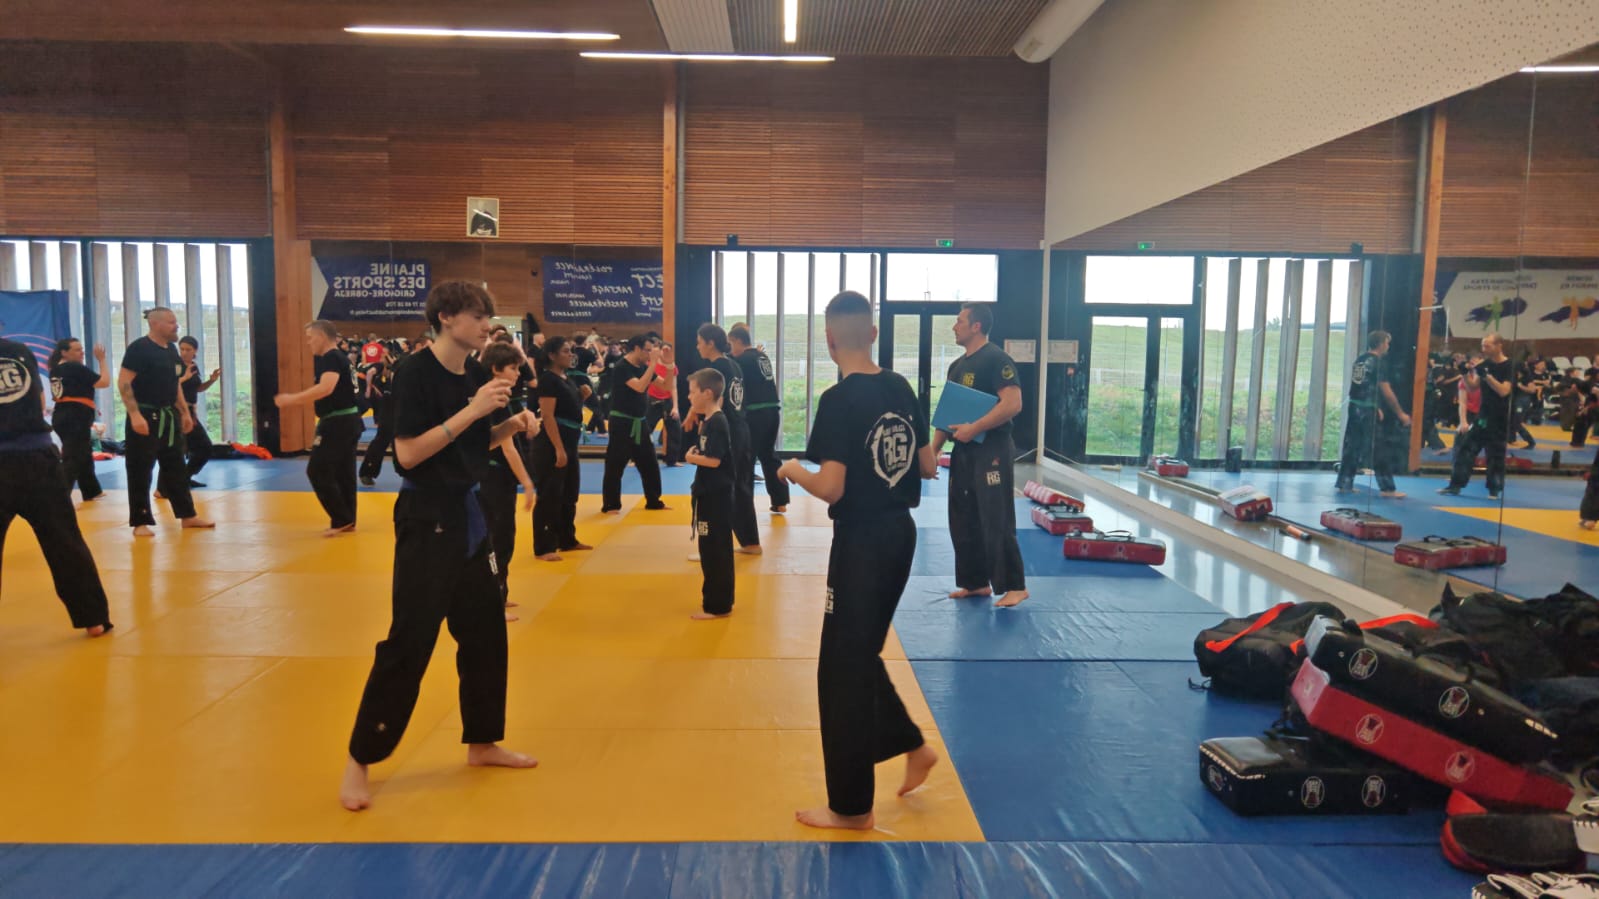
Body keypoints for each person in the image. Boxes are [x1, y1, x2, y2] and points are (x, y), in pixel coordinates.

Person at [339, 281, 537, 812]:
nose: (486, 325)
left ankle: (483, 742)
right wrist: (473, 411)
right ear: (447, 317)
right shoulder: (415, 373)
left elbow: (472, 445)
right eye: (478, 316)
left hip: (469, 517)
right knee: (410, 640)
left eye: (487, 316)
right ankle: (360, 758)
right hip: (427, 520)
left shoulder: (473, 374)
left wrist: (509, 424)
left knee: (486, 634)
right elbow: (408, 455)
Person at [776, 290, 940, 831]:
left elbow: (832, 487)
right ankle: (912, 745)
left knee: (840, 669)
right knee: (860, 652)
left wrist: (792, 470)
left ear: (828, 340)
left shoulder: (837, 400)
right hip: (900, 536)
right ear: (872, 334)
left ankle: (851, 808)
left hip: (862, 543)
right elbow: (927, 465)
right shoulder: (900, 386)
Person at [0, 336, 115, 638]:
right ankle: (93, 619)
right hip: (38, 456)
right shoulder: (18, 351)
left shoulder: (57, 367)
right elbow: (40, 403)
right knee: (64, 541)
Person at [933, 303, 1027, 607]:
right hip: (963, 449)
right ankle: (975, 583)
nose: (954, 326)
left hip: (992, 449)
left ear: (976, 326)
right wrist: (933, 451)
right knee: (963, 516)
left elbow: (1012, 403)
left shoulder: (997, 359)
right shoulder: (956, 366)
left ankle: (1015, 586)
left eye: (959, 321)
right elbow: (948, 413)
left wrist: (975, 427)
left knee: (995, 515)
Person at [120, 307, 215, 536]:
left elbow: (175, 385)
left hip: (169, 417)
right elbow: (124, 382)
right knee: (141, 469)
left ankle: (187, 515)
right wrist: (135, 415)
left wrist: (184, 412)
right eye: (171, 322)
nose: (176, 326)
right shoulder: (139, 348)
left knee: (176, 468)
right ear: (155, 324)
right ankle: (140, 521)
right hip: (145, 415)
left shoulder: (171, 350)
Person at [273, 321, 363, 536]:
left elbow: (326, 388)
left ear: (321, 336)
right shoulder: (341, 357)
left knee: (317, 470)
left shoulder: (331, 357)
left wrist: (292, 399)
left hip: (337, 423)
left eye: (310, 337)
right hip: (349, 420)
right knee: (343, 473)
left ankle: (341, 518)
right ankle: (346, 519)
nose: (308, 342)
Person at [477, 341, 535, 616]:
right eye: (513, 368)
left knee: (502, 537)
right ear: (495, 369)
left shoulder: (501, 397)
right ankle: (493, 602)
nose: (517, 373)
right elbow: (508, 448)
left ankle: (500, 593)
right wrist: (527, 482)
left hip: (496, 476)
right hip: (493, 477)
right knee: (498, 539)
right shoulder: (492, 399)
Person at [692, 323, 760, 554]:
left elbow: (714, 401)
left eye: (700, 342)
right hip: (741, 429)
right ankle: (750, 542)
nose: (698, 347)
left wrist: (701, 421)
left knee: (721, 489)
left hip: (725, 430)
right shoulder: (734, 364)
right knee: (741, 487)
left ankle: (716, 546)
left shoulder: (715, 369)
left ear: (710, 343)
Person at [530, 336, 591, 561]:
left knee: (569, 492)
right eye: (565, 351)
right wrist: (558, 448)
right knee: (550, 494)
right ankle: (544, 546)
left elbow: (571, 410)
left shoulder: (567, 378)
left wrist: (582, 397)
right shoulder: (548, 380)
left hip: (570, 441)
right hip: (552, 443)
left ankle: (567, 539)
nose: (570, 354)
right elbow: (547, 416)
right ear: (552, 355)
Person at [599, 335, 670, 514]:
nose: (649, 354)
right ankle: (611, 504)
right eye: (647, 350)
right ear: (637, 348)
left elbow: (665, 386)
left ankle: (653, 500)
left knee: (650, 463)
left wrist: (669, 365)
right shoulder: (622, 367)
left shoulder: (643, 367)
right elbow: (639, 387)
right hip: (621, 422)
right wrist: (653, 364)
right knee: (616, 464)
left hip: (640, 421)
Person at [685, 368, 734, 620]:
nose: (689, 397)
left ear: (707, 393)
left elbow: (715, 461)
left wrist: (691, 457)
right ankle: (720, 601)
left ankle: (717, 605)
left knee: (715, 550)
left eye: (692, 392)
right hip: (710, 493)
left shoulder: (717, 422)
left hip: (716, 496)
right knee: (712, 549)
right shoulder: (710, 420)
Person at [1334, 330, 1408, 498]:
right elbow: (1386, 391)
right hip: (1366, 410)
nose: (1388, 346)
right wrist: (1400, 413)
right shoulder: (1378, 362)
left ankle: (1344, 483)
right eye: (1387, 343)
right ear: (1381, 344)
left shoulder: (1360, 360)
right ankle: (1387, 488)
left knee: (1352, 446)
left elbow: (1362, 386)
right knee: (1379, 448)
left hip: (1355, 406)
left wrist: (1376, 406)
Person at [1440, 333, 1514, 500]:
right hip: (1483, 415)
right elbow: (1472, 387)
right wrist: (1465, 373)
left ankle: (1494, 489)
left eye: (1487, 346)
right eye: (1483, 346)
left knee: (1495, 454)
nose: (1484, 349)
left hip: (1500, 418)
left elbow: (1504, 391)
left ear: (1499, 346)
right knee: (1466, 449)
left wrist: (1487, 376)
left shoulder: (1509, 366)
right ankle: (1456, 485)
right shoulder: (1485, 365)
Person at [729, 325, 789, 514]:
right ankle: (780, 501)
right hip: (773, 412)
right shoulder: (761, 356)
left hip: (756, 414)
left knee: (747, 458)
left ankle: (744, 504)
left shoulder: (742, 359)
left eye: (731, 344)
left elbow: (729, 367)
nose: (731, 349)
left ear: (738, 341)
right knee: (769, 455)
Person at [360, 335, 430, 486]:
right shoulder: (405, 361)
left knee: (411, 437)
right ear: (419, 346)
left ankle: (411, 471)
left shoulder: (423, 363)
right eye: (428, 346)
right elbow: (393, 379)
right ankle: (367, 471)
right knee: (384, 437)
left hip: (410, 403)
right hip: (392, 402)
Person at [47, 338, 110, 501]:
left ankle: (91, 490)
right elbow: (104, 382)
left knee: (83, 452)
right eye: (77, 350)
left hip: (62, 415)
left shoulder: (55, 370)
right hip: (75, 416)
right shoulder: (74, 367)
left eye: (81, 349)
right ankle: (59, 496)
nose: (82, 353)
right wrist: (102, 360)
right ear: (64, 352)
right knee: (73, 456)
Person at [177, 336, 219, 487]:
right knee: (181, 448)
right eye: (182, 349)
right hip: (179, 410)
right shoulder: (177, 366)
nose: (184, 352)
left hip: (191, 411)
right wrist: (184, 377)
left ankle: (185, 477)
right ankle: (176, 481)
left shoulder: (193, 366)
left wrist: (211, 380)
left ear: (195, 351)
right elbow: (170, 385)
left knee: (204, 447)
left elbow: (198, 388)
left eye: (188, 349)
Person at [646, 342, 684, 467]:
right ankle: (637, 458)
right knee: (645, 431)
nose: (666, 353)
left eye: (668, 351)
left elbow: (673, 388)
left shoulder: (672, 367)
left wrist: (675, 407)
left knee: (675, 431)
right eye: (664, 350)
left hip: (667, 401)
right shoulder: (651, 365)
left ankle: (671, 460)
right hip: (652, 399)